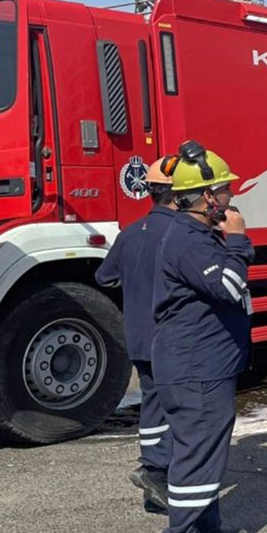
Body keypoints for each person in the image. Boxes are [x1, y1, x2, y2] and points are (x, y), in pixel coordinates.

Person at [152, 141, 253, 533]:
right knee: (196, 453)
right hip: (195, 366)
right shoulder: (191, 242)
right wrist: (238, 240)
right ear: (209, 197)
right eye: (226, 189)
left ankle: (207, 529)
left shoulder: (194, 234)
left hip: (201, 363)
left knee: (205, 449)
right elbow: (230, 286)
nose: (231, 196)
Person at [95, 157, 180, 512]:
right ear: (178, 194)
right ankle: (159, 472)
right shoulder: (183, 233)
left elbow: (104, 277)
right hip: (172, 338)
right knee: (180, 408)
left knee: (153, 404)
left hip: (140, 336)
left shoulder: (131, 232)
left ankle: (152, 479)